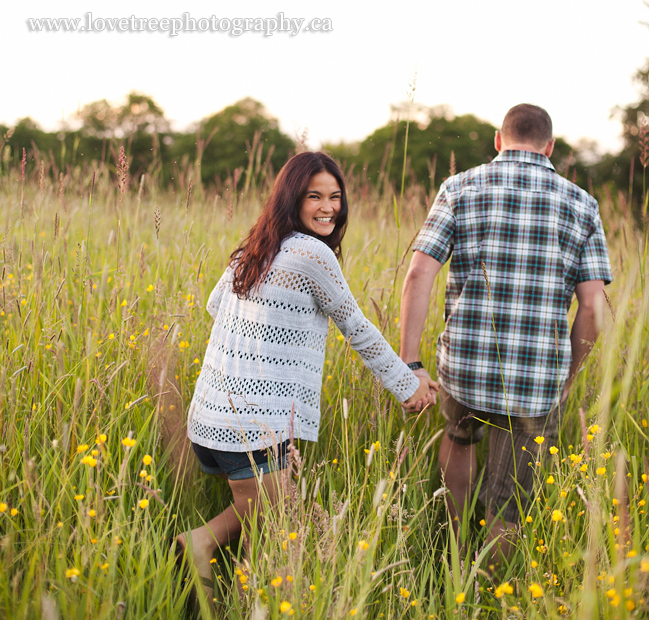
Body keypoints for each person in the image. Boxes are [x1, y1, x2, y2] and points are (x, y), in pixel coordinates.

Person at [175, 151, 435, 594]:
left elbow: (215, 305)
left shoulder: (257, 245)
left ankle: (207, 560)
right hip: (252, 425)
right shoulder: (312, 254)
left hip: (209, 418)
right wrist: (408, 385)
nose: (328, 207)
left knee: (265, 510)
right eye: (314, 196)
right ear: (291, 198)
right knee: (277, 533)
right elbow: (357, 327)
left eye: (335, 196)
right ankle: (245, 613)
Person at [399, 104, 612, 556]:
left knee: (459, 442)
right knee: (510, 496)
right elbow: (593, 305)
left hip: (465, 367)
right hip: (537, 380)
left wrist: (410, 363)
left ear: (499, 140)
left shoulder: (459, 186)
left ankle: (453, 551)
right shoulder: (582, 204)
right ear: (550, 147)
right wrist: (567, 377)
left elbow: (418, 273)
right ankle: (490, 596)